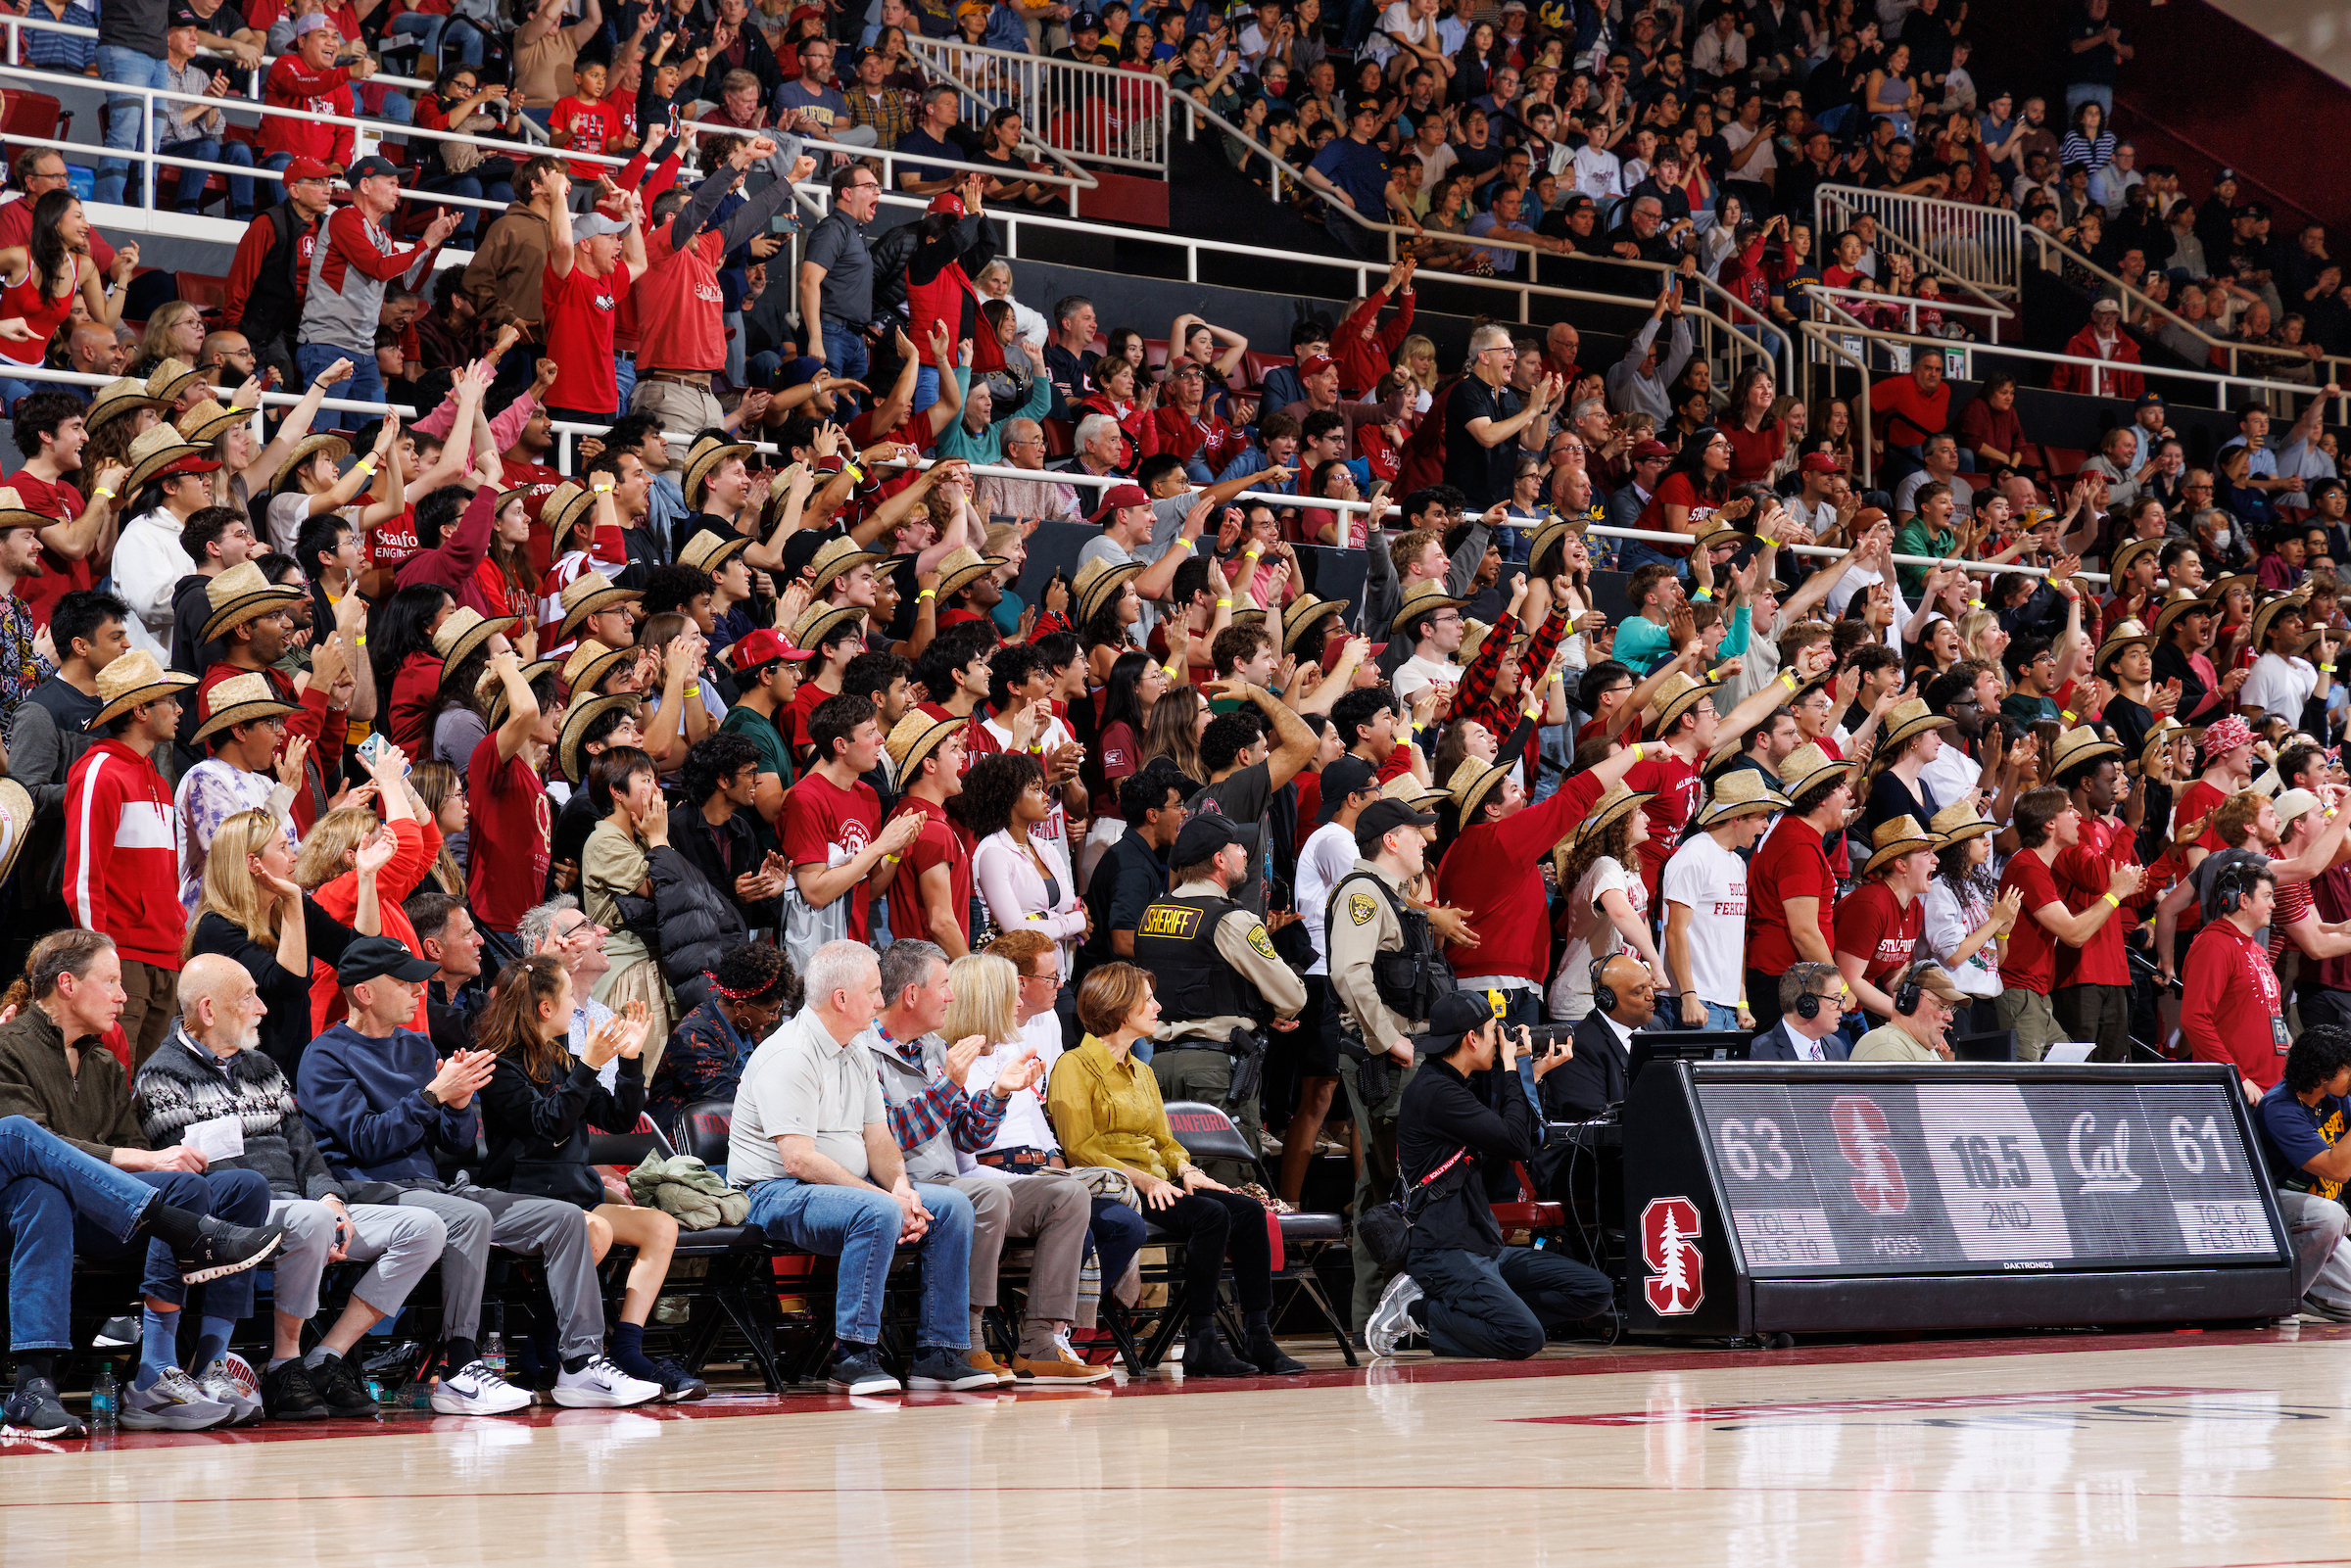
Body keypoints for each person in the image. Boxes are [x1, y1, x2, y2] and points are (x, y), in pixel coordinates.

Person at [300, 935, 654, 1412]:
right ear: (365, 992)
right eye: (405, 983)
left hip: (434, 1187)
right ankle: (459, 1368)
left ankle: (580, 1365)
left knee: (565, 1218)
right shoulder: (325, 1056)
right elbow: (366, 1141)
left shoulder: (417, 1047)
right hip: (369, 1191)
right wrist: (431, 1097)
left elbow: (457, 1143)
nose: (418, 991)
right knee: (469, 1218)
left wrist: (459, 1104)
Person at [132, 954, 444, 1421]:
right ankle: (284, 1362)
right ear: (209, 1010)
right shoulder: (163, 1074)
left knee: (425, 1227)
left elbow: (305, 1149)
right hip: (235, 1213)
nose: (262, 1008)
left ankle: (328, 1357)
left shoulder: (262, 1066)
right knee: (310, 1220)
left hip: (303, 1207)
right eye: (249, 998)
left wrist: (331, 1199)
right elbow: (202, 1173)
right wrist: (313, 1215)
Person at [729, 940, 990, 1397]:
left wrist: (903, 1188)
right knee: (878, 1212)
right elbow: (798, 1159)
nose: (879, 1001)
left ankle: (938, 1353)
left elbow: (879, 1137)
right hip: (773, 1192)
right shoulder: (790, 1053)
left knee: (951, 1206)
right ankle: (852, 1354)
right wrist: (884, 1198)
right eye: (873, 992)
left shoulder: (855, 1049)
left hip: (840, 1189)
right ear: (841, 999)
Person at [859, 940, 1109, 1385]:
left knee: (1068, 1194)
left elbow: (968, 1135)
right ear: (913, 995)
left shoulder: (932, 1048)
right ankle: (967, 1340)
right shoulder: (865, 1052)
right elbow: (889, 1137)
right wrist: (951, 1082)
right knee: (988, 1193)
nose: (952, 997)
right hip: (898, 1185)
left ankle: (1039, 1342)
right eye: (945, 986)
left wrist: (997, 1094)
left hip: (951, 1179)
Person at [1050, 962, 1306, 1378]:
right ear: (1117, 1007)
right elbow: (1082, 1150)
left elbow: (1165, 1142)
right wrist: (1146, 1179)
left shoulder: (1143, 1072)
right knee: (1211, 1216)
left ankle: (1258, 1335)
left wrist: (1185, 1169)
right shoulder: (1073, 1067)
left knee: (1248, 1212)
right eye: (1147, 999)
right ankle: (1201, 1339)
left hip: (1158, 1182)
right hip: (1114, 1188)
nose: (1158, 1006)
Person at [474, 955, 705, 1401]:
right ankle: (552, 1349)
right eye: (569, 995)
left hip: (576, 1196)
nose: (577, 1005)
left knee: (661, 1225)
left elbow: (618, 1117)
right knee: (593, 1229)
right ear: (545, 1008)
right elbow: (547, 1125)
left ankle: (628, 1347)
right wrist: (589, 1066)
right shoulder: (499, 1066)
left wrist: (632, 1059)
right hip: (523, 1201)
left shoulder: (561, 1056)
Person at [1365, 993, 1610, 1358]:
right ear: (1472, 1038)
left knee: (1594, 1291)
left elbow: (1517, 1138)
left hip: (1484, 1248)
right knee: (1524, 1337)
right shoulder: (1435, 1092)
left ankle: (1486, 1317)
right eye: (1496, 1031)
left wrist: (1534, 1074)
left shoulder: (1453, 1086)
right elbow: (1513, 1141)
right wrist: (1514, 1068)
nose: (1502, 1040)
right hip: (1443, 1251)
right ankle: (1416, 1310)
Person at [1323, 794, 1454, 1326]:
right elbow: (1348, 974)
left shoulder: (1390, 896)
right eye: (1417, 831)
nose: (1426, 839)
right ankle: (1380, 1315)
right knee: (1393, 1188)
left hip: (1401, 1054)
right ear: (1391, 840)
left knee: (1382, 1190)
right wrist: (1390, 1040)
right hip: (1386, 1060)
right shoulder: (1362, 894)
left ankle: (1374, 1316)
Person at [1130, 812, 1308, 1175]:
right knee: (1230, 1188)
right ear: (1219, 860)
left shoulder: (1152, 913)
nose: (1246, 852)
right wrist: (1267, 1007)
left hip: (1158, 1067)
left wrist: (1251, 1005)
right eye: (1238, 846)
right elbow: (1293, 997)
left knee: (1177, 1188)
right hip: (1214, 1073)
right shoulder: (1231, 919)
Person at [1994, 785, 2144, 1063]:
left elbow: (2071, 926)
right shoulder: (2027, 868)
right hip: (2020, 992)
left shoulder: (2038, 868)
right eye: (2068, 809)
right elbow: (2073, 935)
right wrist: (2115, 894)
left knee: (2072, 1075)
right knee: (2030, 1088)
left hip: (2036, 993)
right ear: (2050, 823)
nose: (2077, 814)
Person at [1661, 769, 1786, 1031]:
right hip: (1695, 1001)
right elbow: (1674, 930)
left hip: (1727, 1005)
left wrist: (1741, 1001)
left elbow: (1734, 938)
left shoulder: (1737, 863)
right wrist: (1688, 995)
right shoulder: (1694, 855)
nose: (1766, 825)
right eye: (1762, 817)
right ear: (1737, 818)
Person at [2253, 1025, 2351, 1323]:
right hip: (2277, 1212)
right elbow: (2337, 1169)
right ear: (2323, 1076)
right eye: (2348, 1070)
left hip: (2318, 1222)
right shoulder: (2279, 1108)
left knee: (2330, 1216)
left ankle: (2308, 1293)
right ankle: (2280, 1299)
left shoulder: (2335, 1097)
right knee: (2329, 1216)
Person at [2181, 857, 2289, 1098]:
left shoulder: (2257, 950)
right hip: (2239, 1090)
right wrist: (2237, 1077)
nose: (2273, 904)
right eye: (2267, 896)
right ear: (2242, 900)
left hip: (2270, 1087)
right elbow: (2194, 1018)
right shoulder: (2213, 945)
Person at [1850, 962, 1971, 1061]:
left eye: (1951, 1009)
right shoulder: (1885, 1045)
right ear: (1910, 1002)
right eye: (1942, 1006)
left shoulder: (1923, 1048)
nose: (1950, 1017)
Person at [1750, 963, 1854, 1063]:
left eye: (1842, 998)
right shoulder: (1759, 1053)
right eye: (1835, 998)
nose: (1843, 1006)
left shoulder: (1837, 1047)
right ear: (1807, 1004)